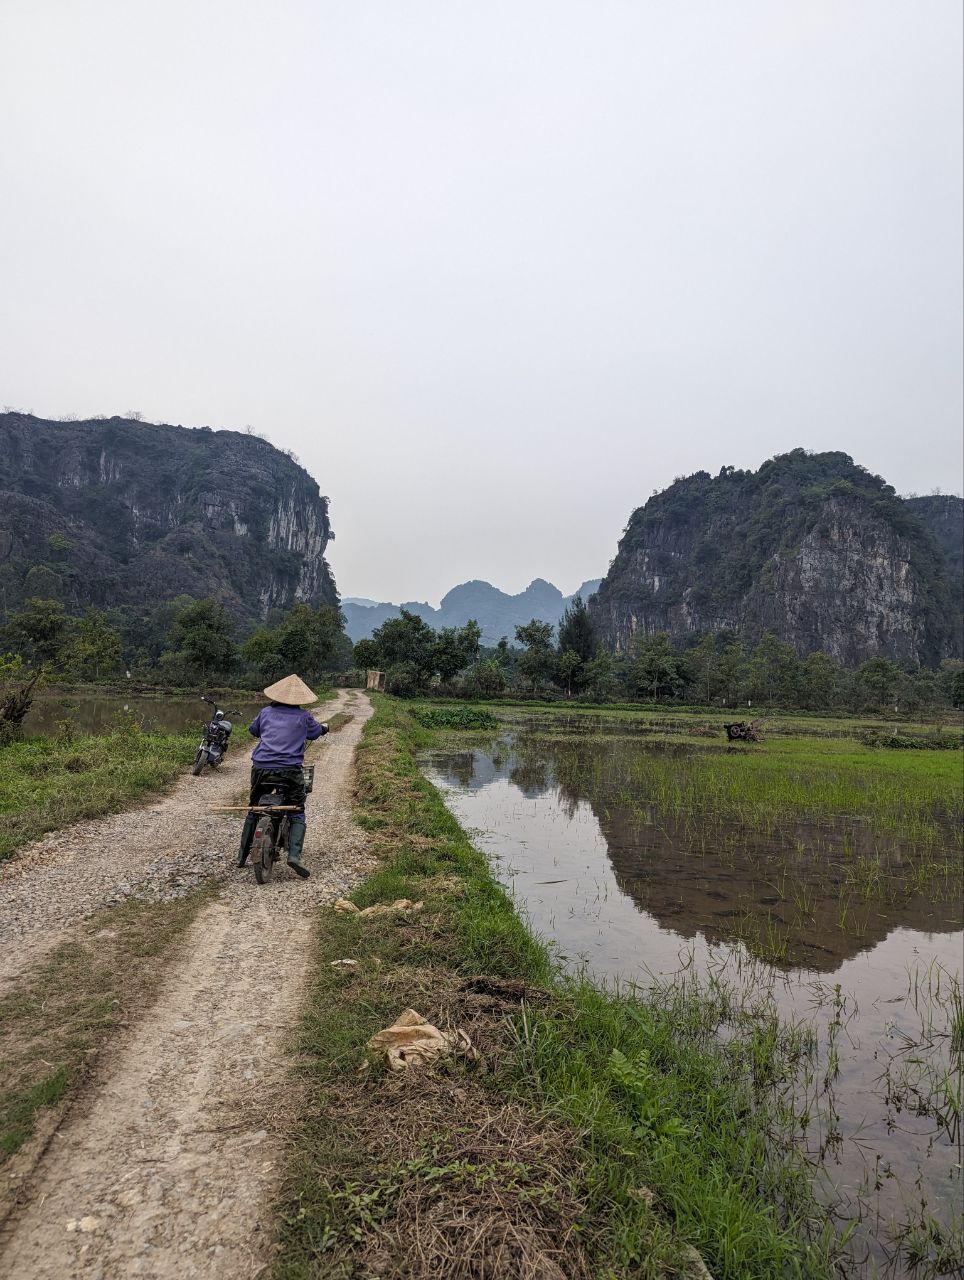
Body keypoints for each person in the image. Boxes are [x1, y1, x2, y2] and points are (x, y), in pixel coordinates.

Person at [237, 674, 328, 878]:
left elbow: (253, 730)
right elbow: (315, 733)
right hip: (290, 771)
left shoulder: (265, 712)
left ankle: (241, 855)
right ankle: (294, 856)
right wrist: (324, 728)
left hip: (261, 768)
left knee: (254, 808)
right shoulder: (304, 716)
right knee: (297, 809)